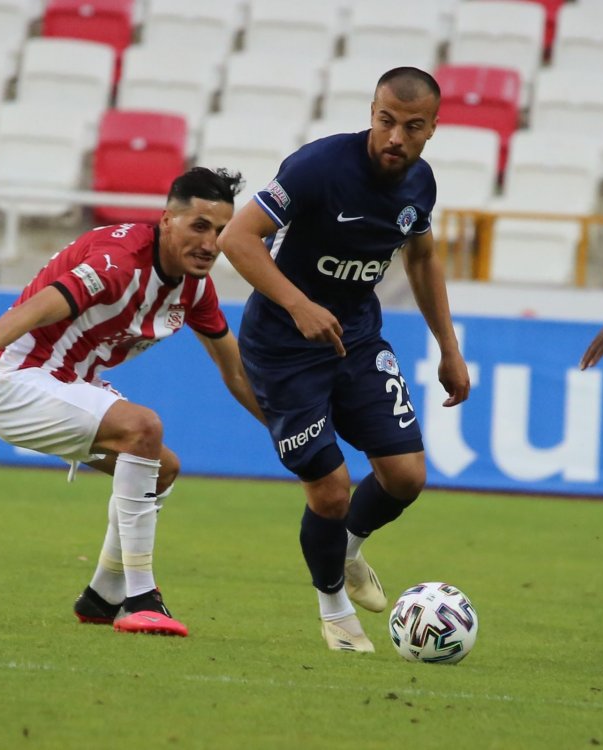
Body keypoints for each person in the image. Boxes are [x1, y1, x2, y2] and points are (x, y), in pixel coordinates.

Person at [0, 167, 264, 638]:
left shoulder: (196, 288)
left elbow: (236, 371)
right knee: (144, 427)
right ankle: (142, 597)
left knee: (163, 468)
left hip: (70, 382)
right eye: (199, 226)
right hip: (16, 382)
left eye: (221, 231)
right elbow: (31, 311)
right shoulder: (118, 262)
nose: (211, 243)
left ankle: (102, 595)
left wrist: (289, 433)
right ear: (167, 221)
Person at [217, 67, 470, 653]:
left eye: (411, 127)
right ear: (372, 112)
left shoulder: (420, 184)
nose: (394, 138)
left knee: (406, 478)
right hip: (283, 347)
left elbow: (424, 258)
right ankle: (333, 607)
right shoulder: (318, 168)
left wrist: (449, 349)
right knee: (329, 490)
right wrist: (298, 303)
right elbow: (237, 238)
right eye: (385, 121)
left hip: (356, 340)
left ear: (432, 128)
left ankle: (349, 550)